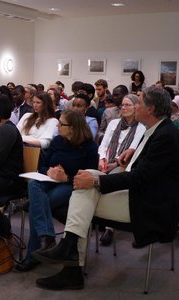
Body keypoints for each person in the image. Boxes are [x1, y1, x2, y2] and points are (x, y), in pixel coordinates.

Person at [33, 86, 179, 290]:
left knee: (83, 194)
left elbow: (140, 177)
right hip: (142, 192)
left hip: (148, 204)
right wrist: (133, 151)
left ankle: (71, 261)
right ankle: (69, 251)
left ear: (151, 109)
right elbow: (146, 166)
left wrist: (96, 182)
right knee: (87, 175)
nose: (134, 106)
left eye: (139, 103)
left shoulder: (165, 135)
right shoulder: (158, 129)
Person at [15, 110, 98, 272]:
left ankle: (33, 255)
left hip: (71, 185)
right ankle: (47, 237)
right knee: (33, 185)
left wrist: (66, 177)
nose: (58, 126)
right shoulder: (58, 141)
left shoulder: (89, 146)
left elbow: (91, 174)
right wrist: (49, 172)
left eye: (61, 124)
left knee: (35, 206)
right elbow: (44, 164)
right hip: (50, 180)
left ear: (73, 128)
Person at [97, 94, 146, 245]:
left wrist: (116, 164)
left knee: (111, 181)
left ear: (136, 107)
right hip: (106, 162)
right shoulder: (113, 123)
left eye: (128, 105)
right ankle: (97, 214)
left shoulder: (141, 127)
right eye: (123, 105)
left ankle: (109, 227)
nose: (124, 108)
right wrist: (102, 158)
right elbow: (104, 144)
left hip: (124, 165)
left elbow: (133, 149)